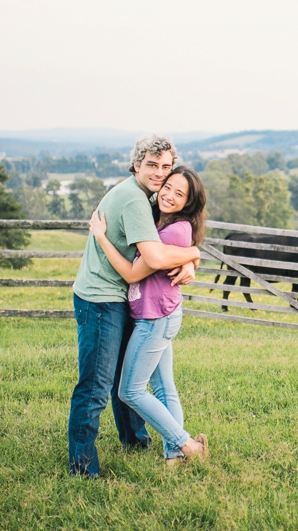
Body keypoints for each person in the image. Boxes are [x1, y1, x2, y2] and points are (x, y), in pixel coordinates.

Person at [68, 136, 200, 478]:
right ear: (136, 165)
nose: (160, 175)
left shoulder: (151, 198)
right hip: (102, 298)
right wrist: (194, 254)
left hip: (137, 304)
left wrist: (191, 258)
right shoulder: (135, 200)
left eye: (165, 167)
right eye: (152, 166)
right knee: (98, 384)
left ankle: (141, 442)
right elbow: (156, 257)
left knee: (129, 384)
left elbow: (174, 241)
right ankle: (83, 469)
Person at [89, 166, 208, 465]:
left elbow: (133, 273)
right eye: (167, 186)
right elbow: (187, 251)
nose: (168, 195)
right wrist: (194, 256)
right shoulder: (161, 222)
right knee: (165, 388)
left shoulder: (176, 230)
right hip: (160, 314)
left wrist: (102, 238)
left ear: (189, 203)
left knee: (130, 391)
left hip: (156, 319)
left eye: (179, 194)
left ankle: (187, 445)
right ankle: (174, 455)